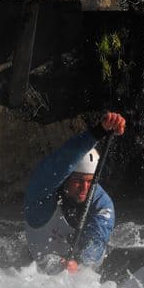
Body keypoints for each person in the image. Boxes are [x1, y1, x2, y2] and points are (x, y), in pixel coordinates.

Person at [24, 112, 126, 273]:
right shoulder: (41, 196)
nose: (84, 188)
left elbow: (97, 239)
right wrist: (99, 131)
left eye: (90, 181)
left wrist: (79, 261)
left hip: (75, 272)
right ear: (65, 178)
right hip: (32, 271)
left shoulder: (101, 202)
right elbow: (62, 161)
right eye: (78, 181)